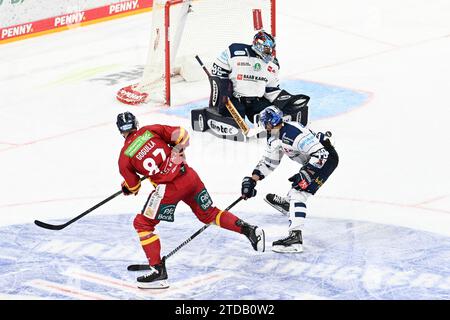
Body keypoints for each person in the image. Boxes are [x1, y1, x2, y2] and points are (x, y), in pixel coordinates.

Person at [116, 112, 265, 289]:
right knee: (210, 213)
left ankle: (158, 272)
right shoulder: (150, 130)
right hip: (189, 176)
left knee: (143, 224)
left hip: (168, 189)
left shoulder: (124, 157)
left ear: (120, 131)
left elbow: (133, 187)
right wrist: (175, 149)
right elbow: (183, 135)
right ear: (136, 123)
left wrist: (126, 186)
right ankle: (249, 230)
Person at [240, 106, 339, 253]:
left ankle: (295, 239)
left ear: (270, 123)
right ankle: (289, 205)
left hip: (325, 160)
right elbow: (269, 161)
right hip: (314, 160)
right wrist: (253, 180)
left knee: (299, 193)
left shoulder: (293, 133)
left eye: (264, 122)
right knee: (297, 190)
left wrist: (307, 173)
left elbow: (321, 154)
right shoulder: (274, 136)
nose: (262, 126)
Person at [209, 30, 309, 125]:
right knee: (236, 118)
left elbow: (271, 88)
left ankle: (259, 119)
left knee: (271, 116)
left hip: (256, 101)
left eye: (271, 50)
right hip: (236, 99)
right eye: (267, 49)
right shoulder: (235, 51)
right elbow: (218, 69)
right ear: (258, 45)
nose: (269, 53)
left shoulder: (272, 65)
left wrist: (286, 101)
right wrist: (224, 93)